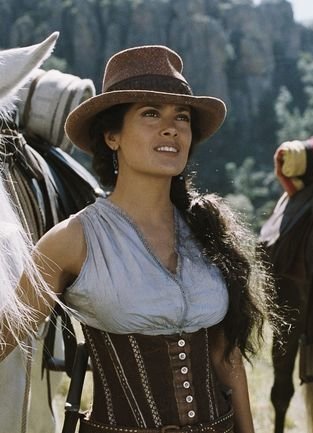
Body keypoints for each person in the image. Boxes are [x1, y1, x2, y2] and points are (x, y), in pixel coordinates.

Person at [0, 44, 270, 433]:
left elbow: (225, 356)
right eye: (150, 113)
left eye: (181, 117)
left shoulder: (207, 230)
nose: (171, 128)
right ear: (112, 136)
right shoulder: (73, 240)